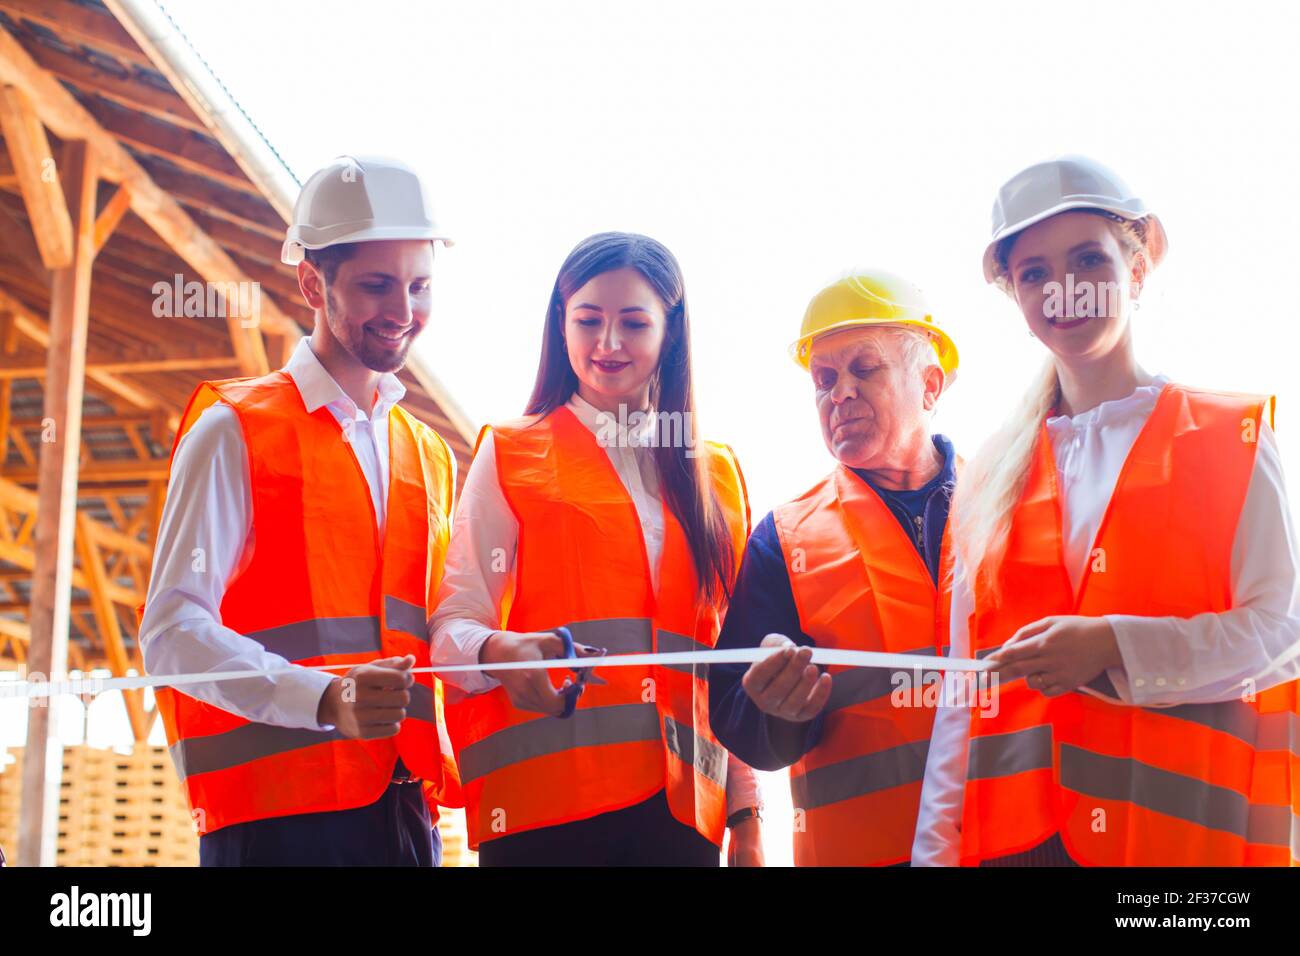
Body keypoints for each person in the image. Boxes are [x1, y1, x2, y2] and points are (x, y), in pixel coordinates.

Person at [913, 155, 1300, 866]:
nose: (1063, 289)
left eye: (1088, 259)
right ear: (1014, 295)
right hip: (1016, 844)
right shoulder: (991, 475)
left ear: (1138, 267)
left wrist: (1116, 647)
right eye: (1032, 273)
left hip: (1174, 853)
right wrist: (932, 855)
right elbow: (961, 696)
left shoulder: (1231, 438)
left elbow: (1281, 635)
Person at [139, 156, 461, 866]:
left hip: (403, 808)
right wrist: (323, 698)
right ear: (312, 282)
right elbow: (171, 631)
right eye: (377, 286)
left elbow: (433, 627)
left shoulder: (426, 453)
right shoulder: (234, 430)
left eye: (419, 286)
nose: (403, 312)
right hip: (274, 824)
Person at [430, 232, 764, 866]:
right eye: (587, 320)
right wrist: (500, 653)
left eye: (633, 323)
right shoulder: (510, 452)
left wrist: (747, 817)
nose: (608, 343)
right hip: (543, 820)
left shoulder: (715, 476)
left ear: (671, 332)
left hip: (683, 822)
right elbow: (452, 630)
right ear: (561, 326)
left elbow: (728, 662)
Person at [709, 270, 961, 866]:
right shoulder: (784, 539)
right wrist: (776, 711)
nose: (838, 393)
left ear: (929, 385)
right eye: (824, 379)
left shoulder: (1012, 509)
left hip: (1009, 848)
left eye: (863, 369)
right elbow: (737, 719)